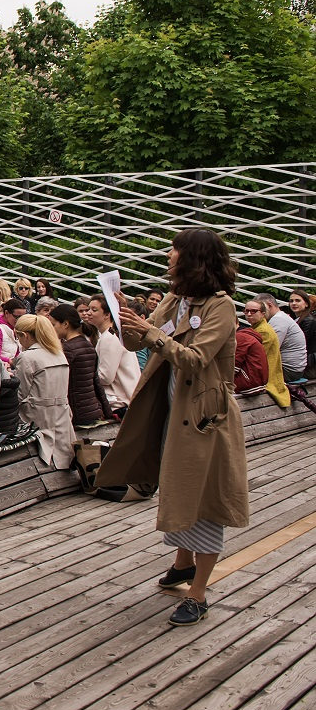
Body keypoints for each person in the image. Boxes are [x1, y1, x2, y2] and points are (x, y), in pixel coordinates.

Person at [95, 229, 250, 626]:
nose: (167, 256)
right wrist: (124, 319)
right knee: (180, 489)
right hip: (169, 410)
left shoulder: (221, 306)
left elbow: (196, 359)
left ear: (193, 259)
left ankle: (198, 593)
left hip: (203, 418)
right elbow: (136, 345)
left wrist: (149, 332)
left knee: (204, 499)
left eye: (174, 251)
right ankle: (183, 563)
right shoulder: (175, 299)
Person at [12, 313, 76, 469]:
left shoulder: (27, 358)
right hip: (61, 419)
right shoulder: (59, 354)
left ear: (24, 335)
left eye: (18, 337)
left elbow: (20, 394)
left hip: (36, 422)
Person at [50, 303, 111, 428]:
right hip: (92, 409)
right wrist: (107, 411)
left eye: (53, 325)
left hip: (76, 412)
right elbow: (96, 383)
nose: (51, 329)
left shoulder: (67, 349)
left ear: (65, 324)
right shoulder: (88, 345)